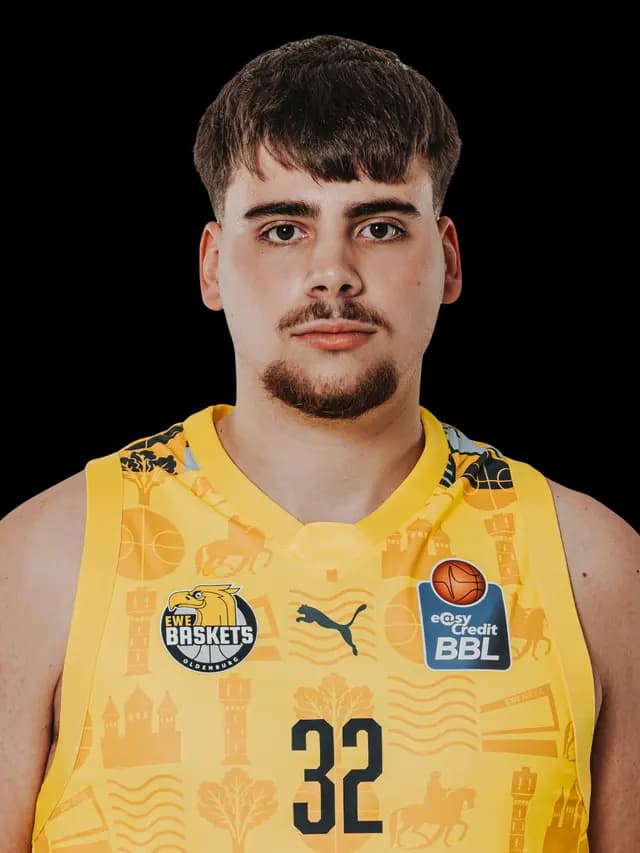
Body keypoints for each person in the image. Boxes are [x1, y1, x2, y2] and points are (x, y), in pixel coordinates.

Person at [1, 34, 637, 853]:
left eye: (379, 225)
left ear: (448, 261)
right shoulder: (47, 558)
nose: (332, 272)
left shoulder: (594, 565)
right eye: (282, 229)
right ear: (211, 267)